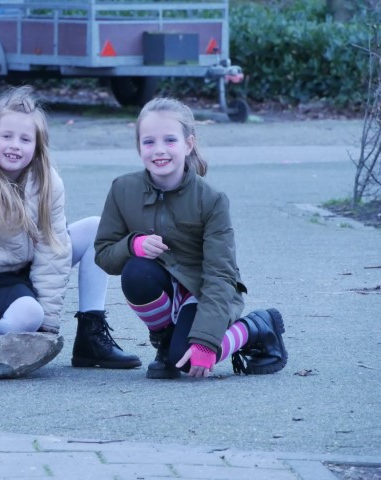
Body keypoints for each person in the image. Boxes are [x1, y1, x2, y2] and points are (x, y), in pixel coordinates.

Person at [0, 85, 140, 369]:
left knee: (96, 229)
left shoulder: (46, 180)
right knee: (28, 314)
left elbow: (53, 251)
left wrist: (48, 325)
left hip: (24, 269)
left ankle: (90, 337)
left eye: (25, 139)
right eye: (6, 136)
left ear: (37, 145)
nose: (14, 145)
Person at [94, 97, 288, 379]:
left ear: (188, 144)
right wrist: (132, 245)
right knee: (136, 272)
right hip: (162, 283)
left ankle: (257, 326)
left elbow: (221, 275)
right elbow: (103, 255)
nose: (159, 150)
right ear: (139, 147)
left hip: (203, 290)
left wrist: (206, 342)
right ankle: (166, 341)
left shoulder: (212, 200)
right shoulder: (122, 189)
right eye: (149, 142)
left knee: (187, 362)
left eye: (170, 140)